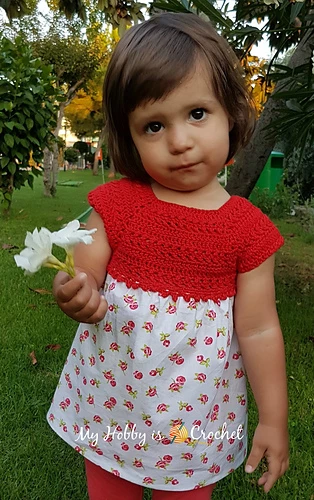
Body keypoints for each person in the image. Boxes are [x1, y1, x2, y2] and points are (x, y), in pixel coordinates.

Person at [47, 12, 289, 500]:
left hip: (195, 412)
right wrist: (77, 291)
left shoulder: (247, 230)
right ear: (130, 137)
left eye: (197, 114)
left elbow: (259, 327)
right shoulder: (117, 205)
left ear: (231, 114)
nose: (179, 142)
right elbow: (86, 271)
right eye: (153, 125)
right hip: (113, 401)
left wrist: (274, 419)